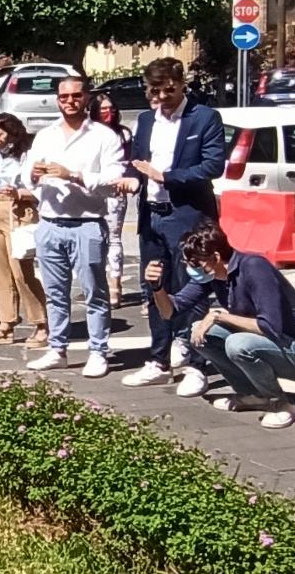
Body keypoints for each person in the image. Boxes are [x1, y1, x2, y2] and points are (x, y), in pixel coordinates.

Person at [144, 220, 295, 429]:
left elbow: (270, 327)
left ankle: (280, 403)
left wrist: (219, 316)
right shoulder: (211, 274)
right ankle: (253, 394)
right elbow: (169, 312)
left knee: (237, 344)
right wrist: (157, 288)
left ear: (217, 257)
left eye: (194, 264)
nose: (190, 269)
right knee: (199, 334)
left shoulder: (254, 267)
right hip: (274, 345)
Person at [118, 57, 225, 397]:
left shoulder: (205, 117)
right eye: (155, 91)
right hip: (153, 214)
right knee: (155, 286)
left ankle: (196, 363)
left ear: (182, 83)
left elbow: (213, 165)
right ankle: (159, 360)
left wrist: (166, 176)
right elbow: (137, 162)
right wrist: (132, 180)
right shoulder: (147, 120)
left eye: (169, 90)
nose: (163, 98)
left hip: (188, 214)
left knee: (192, 287)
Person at [24, 76, 124, 378]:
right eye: (64, 97)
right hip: (50, 222)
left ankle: (98, 351)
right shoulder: (45, 135)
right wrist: (33, 174)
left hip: (88, 224)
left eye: (76, 96)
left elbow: (113, 181)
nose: (70, 101)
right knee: (55, 292)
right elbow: (26, 177)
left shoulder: (105, 137)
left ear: (87, 98)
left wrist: (74, 175)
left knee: (94, 291)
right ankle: (58, 349)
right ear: (57, 99)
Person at [0, 113, 46, 346]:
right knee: (1, 271)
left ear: (12, 133)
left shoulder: (26, 157)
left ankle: (41, 323)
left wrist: (19, 193)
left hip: (19, 211)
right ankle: (6, 324)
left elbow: (40, 190)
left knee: (21, 272)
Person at [91, 93, 133, 308]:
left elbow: (129, 162)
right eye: (103, 109)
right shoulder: (89, 132)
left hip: (116, 190)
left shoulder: (122, 134)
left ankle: (115, 286)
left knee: (114, 238)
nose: (108, 113)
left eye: (111, 109)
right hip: (92, 190)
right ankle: (99, 285)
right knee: (96, 237)